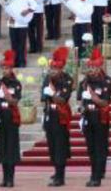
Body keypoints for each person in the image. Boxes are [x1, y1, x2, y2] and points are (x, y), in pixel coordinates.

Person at [77, 47, 111, 187]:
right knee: (91, 148)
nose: (91, 71)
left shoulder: (106, 81)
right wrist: (82, 108)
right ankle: (94, 172)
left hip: (100, 117)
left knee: (100, 147)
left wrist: (94, 98)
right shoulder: (84, 82)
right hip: (88, 117)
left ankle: (96, 176)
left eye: (94, 68)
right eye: (90, 68)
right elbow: (80, 100)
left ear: (99, 68)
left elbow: (105, 102)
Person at [41, 46, 74, 187]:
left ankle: (61, 176)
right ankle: (56, 171)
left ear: (61, 69)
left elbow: (63, 99)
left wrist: (52, 94)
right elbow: (43, 97)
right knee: (52, 146)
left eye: (55, 69)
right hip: (50, 114)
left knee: (60, 146)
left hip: (61, 116)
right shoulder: (47, 79)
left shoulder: (67, 80)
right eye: (51, 69)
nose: (52, 72)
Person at [0, 50, 22, 188]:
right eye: (3, 68)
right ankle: (4, 177)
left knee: (11, 148)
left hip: (12, 118)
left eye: (7, 68)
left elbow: (15, 101)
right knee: (3, 148)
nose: (5, 70)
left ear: (11, 69)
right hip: (1, 117)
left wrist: (7, 96)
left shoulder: (16, 83)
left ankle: (11, 178)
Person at [4, 0, 37, 68]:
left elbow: (34, 6)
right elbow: (5, 6)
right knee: (13, 43)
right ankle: (14, 61)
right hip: (13, 22)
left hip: (22, 22)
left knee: (22, 44)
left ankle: (22, 61)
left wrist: (27, 11)